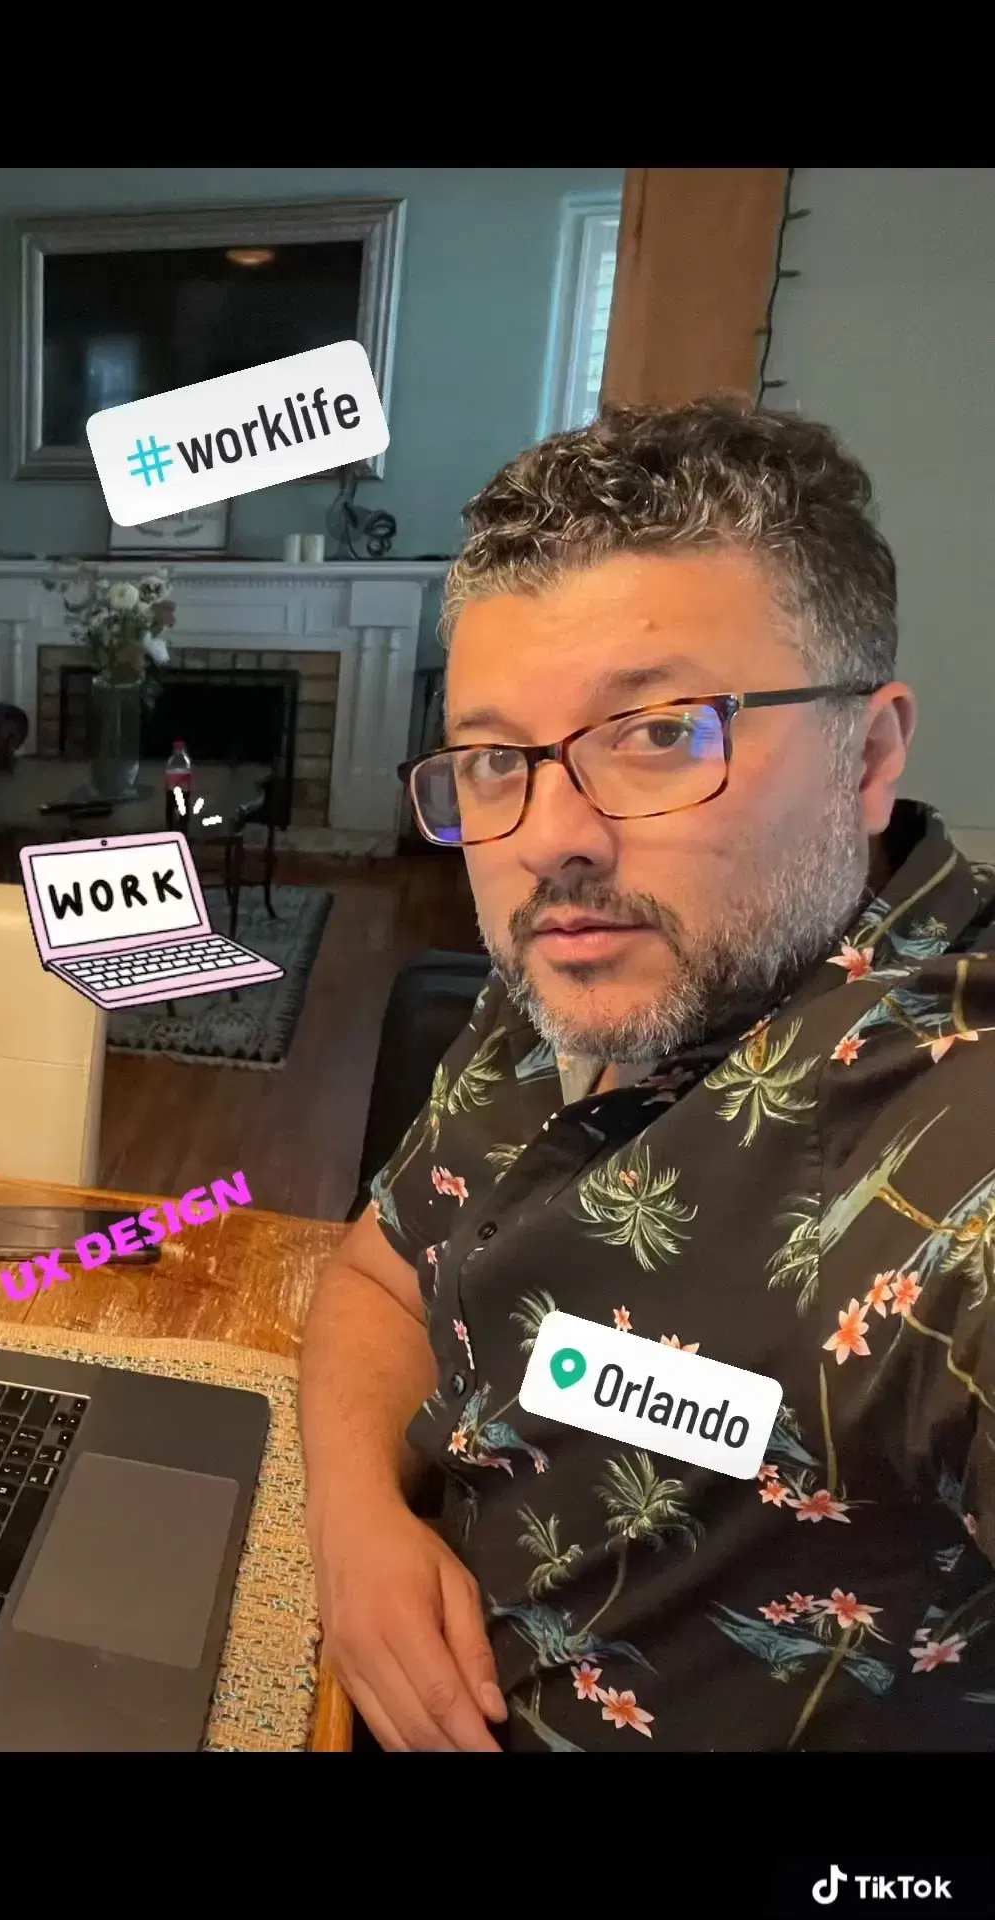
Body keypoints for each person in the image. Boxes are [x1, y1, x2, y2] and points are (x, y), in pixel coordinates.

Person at [299, 399, 995, 1753]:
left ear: (870, 754)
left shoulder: (955, 1172)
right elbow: (380, 1273)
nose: (555, 837)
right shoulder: (589, 969)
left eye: (661, 734)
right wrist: (354, 1522)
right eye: (497, 761)